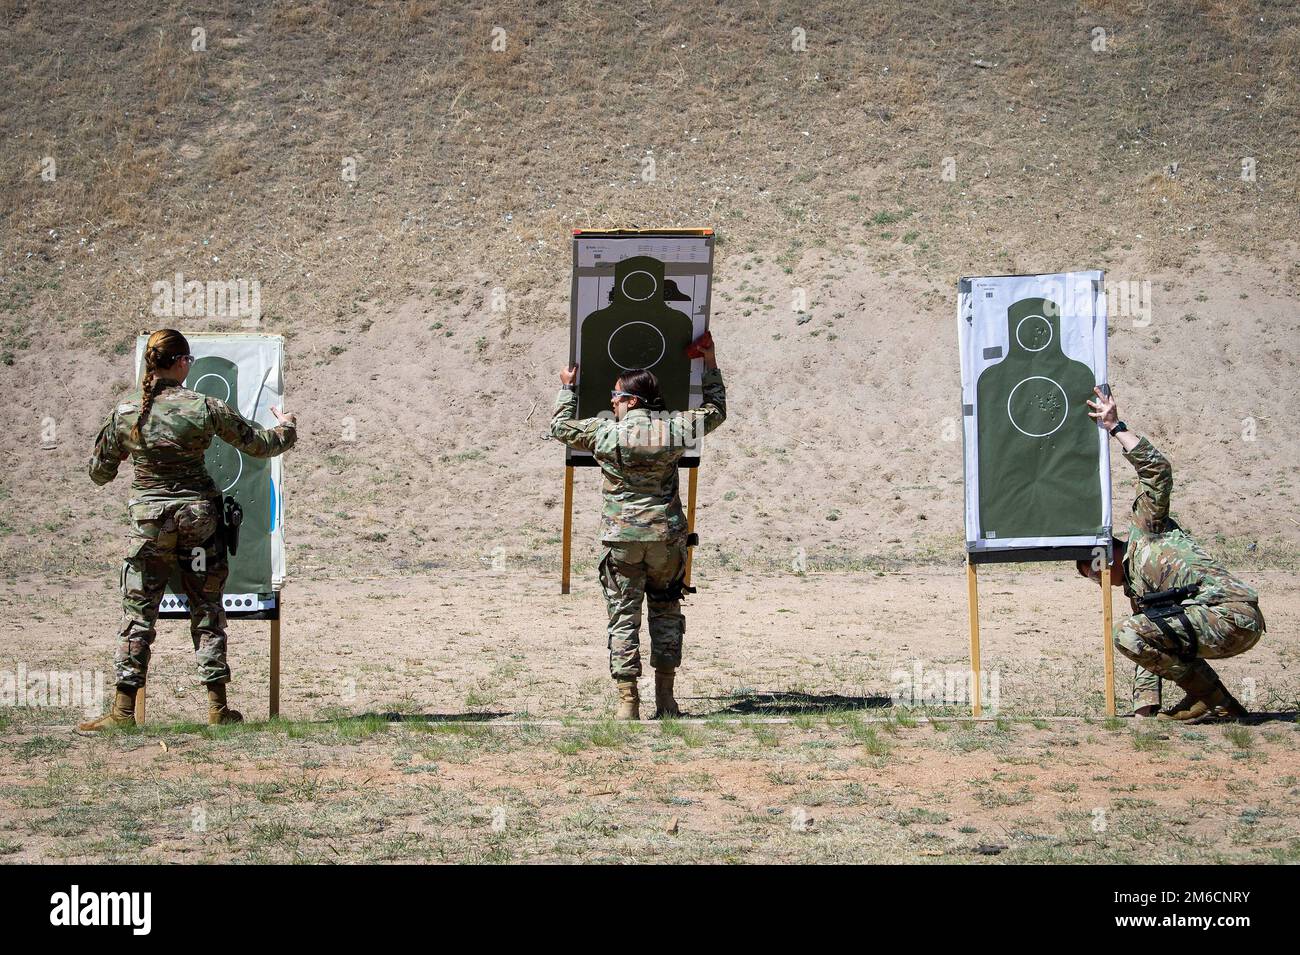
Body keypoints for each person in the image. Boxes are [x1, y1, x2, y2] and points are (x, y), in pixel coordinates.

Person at [78, 329, 298, 731]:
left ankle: (123, 711)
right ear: (180, 363)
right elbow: (261, 445)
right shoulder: (204, 406)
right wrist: (287, 426)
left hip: (149, 523)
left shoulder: (126, 411)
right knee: (207, 611)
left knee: (138, 614)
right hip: (198, 520)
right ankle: (218, 709)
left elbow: (98, 473)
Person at [550, 336, 726, 720]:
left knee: (622, 617)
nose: (612, 401)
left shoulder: (602, 433)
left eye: (616, 395)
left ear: (632, 401)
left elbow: (559, 427)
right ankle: (666, 700)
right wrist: (709, 362)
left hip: (622, 540)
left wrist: (567, 387)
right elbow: (715, 411)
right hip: (665, 539)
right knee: (666, 613)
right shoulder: (675, 429)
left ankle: (627, 702)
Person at [1078, 386, 1263, 722]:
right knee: (1137, 630)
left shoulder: (1147, 528)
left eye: (1096, 571)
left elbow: (1158, 472)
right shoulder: (1138, 593)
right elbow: (1147, 647)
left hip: (1229, 613)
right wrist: (1144, 712)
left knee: (1128, 630)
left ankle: (1210, 698)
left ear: (1109, 555)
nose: (1100, 580)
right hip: (1220, 624)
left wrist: (1116, 427)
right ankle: (1219, 704)